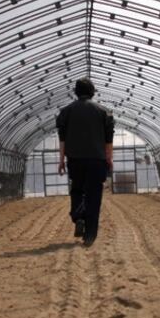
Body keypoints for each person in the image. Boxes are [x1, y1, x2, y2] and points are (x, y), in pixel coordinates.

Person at [56, 77, 114, 246]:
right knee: (94, 196)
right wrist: (108, 159)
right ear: (92, 92)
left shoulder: (66, 112)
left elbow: (62, 140)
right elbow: (108, 140)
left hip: (75, 160)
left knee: (77, 190)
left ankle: (78, 215)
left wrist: (61, 160)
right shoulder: (104, 112)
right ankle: (89, 235)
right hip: (97, 160)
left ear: (76, 92)